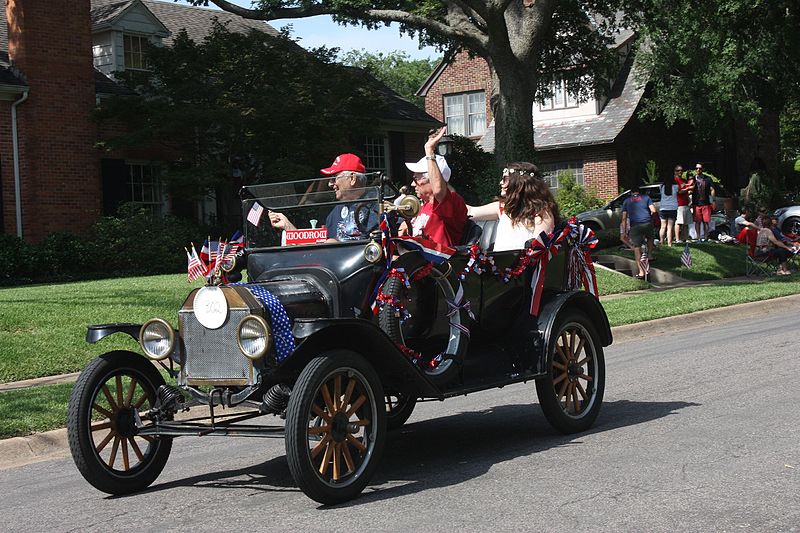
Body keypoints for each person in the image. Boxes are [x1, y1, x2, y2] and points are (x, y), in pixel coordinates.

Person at [269, 153, 379, 241]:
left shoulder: (376, 206)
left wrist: (337, 245)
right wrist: (287, 226)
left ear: (352, 179)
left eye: (334, 178)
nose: (330, 184)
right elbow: (319, 245)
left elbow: (376, 248)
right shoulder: (336, 212)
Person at [466, 162, 558, 251]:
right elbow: (470, 212)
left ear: (519, 182)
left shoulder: (542, 212)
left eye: (505, 179)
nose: (501, 183)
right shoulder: (502, 207)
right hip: (498, 263)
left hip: (526, 264)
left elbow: (537, 246)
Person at [405, 127, 468, 247]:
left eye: (416, 179)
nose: (413, 184)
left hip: (439, 263)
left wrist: (429, 151)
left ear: (432, 179)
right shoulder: (423, 206)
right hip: (417, 260)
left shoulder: (453, 201)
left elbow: (438, 190)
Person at [621, 184, 657, 279]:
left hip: (635, 225)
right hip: (647, 222)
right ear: (639, 192)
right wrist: (649, 216)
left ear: (631, 193)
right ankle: (649, 255)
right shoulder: (646, 198)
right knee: (650, 237)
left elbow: (624, 218)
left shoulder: (627, 201)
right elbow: (653, 210)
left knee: (637, 248)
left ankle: (641, 272)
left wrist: (624, 232)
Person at [691, 163, 716, 242]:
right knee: (697, 221)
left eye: (700, 168)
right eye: (697, 168)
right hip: (696, 203)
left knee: (706, 221)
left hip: (706, 203)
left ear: (702, 169)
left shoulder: (708, 179)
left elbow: (712, 189)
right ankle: (698, 237)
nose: (698, 170)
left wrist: (714, 200)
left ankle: (705, 237)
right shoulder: (692, 179)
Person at [674, 165, 693, 243]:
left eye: (681, 170)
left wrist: (689, 192)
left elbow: (685, 190)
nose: (680, 172)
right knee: (679, 222)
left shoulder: (683, 180)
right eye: (678, 170)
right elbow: (678, 192)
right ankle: (677, 239)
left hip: (686, 203)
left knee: (686, 222)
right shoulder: (675, 180)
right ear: (675, 171)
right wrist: (688, 189)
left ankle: (685, 239)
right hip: (679, 204)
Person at [658, 173, 679, 246]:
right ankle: (669, 243)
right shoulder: (675, 187)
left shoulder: (661, 186)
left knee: (663, 226)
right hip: (672, 208)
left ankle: (661, 242)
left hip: (663, 208)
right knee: (669, 227)